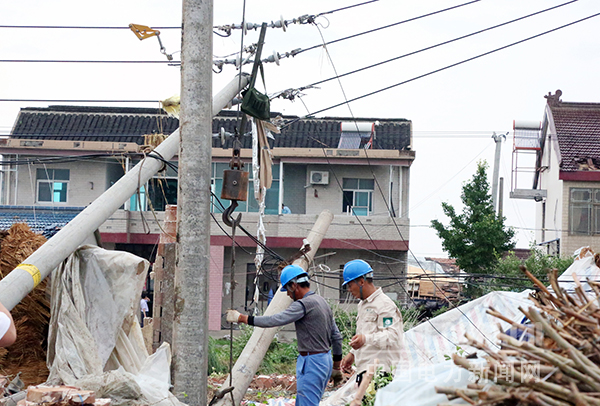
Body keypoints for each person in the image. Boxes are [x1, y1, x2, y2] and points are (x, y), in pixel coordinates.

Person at [227, 264, 344, 405]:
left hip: (311, 361)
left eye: (287, 289)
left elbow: (275, 320)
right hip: (324, 360)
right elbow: (337, 337)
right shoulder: (322, 302)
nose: (288, 294)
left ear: (294, 286)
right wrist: (336, 367)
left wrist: (243, 318)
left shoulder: (303, 304)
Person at [340, 259, 403, 384]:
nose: (349, 290)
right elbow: (365, 334)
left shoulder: (384, 305)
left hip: (380, 374)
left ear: (361, 282)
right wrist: (352, 354)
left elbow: (392, 335)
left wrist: (365, 339)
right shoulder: (362, 305)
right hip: (364, 372)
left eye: (350, 285)